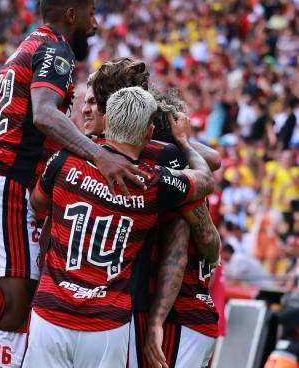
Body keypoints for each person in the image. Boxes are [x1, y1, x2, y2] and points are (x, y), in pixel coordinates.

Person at [0, 0, 147, 367]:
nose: (95, 25)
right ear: (72, 14)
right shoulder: (56, 50)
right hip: (3, 185)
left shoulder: (26, 48)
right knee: (14, 308)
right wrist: (100, 155)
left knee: (7, 304)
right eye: (92, 14)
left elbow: (4, 118)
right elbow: (43, 115)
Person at [22, 86, 215, 367]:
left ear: (108, 121)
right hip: (107, 323)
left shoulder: (65, 160)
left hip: (51, 312)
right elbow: (206, 179)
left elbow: (37, 204)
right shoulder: (153, 183)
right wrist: (183, 142)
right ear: (149, 134)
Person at [81, 57, 221, 368]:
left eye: (94, 102)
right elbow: (212, 161)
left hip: (167, 315)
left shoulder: (160, 156)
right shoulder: (93, 151)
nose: (85, 109)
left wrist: (182, 143)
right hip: (115, 308)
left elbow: (198, 242)